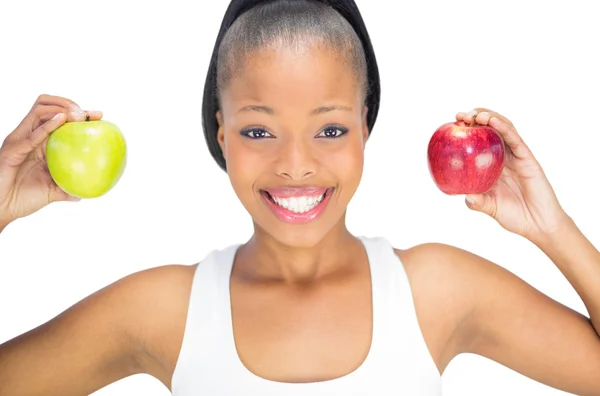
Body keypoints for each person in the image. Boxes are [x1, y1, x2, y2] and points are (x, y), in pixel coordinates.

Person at [1, 0, 599, 395]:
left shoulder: (437, 291)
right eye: (258, 131)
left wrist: (551, 226)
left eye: (331, 129)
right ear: (221, 133)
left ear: (365, 127)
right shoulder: (162, 310)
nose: (294, 165)